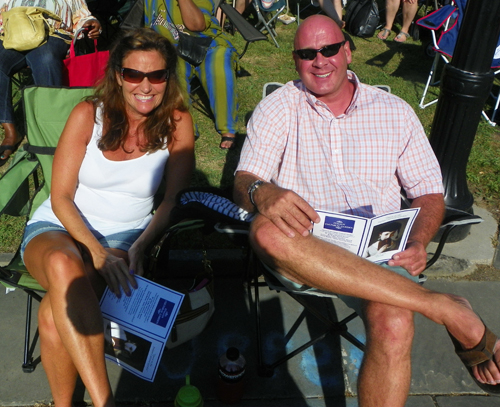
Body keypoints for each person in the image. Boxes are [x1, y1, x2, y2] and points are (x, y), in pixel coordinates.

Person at [233, 15, 500, 406]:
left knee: (393, 321)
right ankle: (442, 306)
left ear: (348, 51)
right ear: (295, 61)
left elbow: (428, 193)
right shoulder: (279, 108)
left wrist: (419, 241)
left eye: (329, 49)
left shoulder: (394, 111)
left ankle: (437, 307)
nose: (320, 61)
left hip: (381, 253)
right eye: (308, 54)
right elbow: (243, 181)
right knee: (265, 231)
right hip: (308, 250)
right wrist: (262, 191)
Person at [20, 27, 195, 407]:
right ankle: (105, 402)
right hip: (58, 227)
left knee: (52, 315)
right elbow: (61, 196)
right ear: (118, 75)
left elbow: (172, 201)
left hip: (125, 238)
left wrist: (142, 246)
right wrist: (94, 252)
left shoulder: (177, 122)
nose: (145, 86)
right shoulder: (88, 114)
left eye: (156, 75)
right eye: (134, 74)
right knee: (63, 263)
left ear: (168, 77)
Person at [0, 0, 102, 167]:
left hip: (53, 34)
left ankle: (51, 131)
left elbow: (82, 14)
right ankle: (11, 131)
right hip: (15, 35)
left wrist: (91, 23)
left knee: (45, 59)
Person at [145, 0, 239, 150]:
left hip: (207, 41)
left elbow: (197, 26)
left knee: (219, 64)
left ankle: (227, 127)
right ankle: (185, 126)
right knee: (174, 69)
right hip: (171, 46)